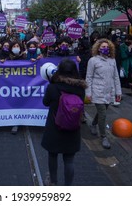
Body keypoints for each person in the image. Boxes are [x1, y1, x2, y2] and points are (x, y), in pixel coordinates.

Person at [41, 58, 86, 186]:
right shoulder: (80, 89)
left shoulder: (53, 87)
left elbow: (45, 102)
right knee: (69, 160)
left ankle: (53, 182)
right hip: (72, 128)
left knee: (53, 156)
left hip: (54, 127)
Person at [85, 38, 122, 149]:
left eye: (107, 47)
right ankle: (104, 136)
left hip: (109, 91)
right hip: (98, 91)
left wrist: (118, 91)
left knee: (103, 111)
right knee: (103, 113)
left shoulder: (112, 60)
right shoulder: (93, 61)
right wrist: (88, 92)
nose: (105, 49)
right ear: (98, 48)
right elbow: (89, 77)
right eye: (102, 47)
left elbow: (116, 77)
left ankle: (93, 123)